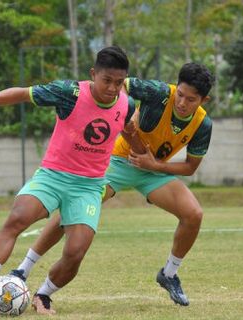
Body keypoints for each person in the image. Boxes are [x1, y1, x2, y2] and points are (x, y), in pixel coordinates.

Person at [0, 46, 137, 315]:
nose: (112, 88)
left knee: (75, 252)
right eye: (107, 80)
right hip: (53, 175)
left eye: (119, 83)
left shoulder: (126, 103)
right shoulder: (69, 93)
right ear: (93, 74)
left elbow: (128, 128)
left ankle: (43, 295)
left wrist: (142, 151)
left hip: (89, 185)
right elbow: (23, 94)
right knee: (18, 217)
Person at [15, 62, 214, 306]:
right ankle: (23, 270)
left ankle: (169, 274)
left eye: (191, 99)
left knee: (193, 214)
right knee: (74, 209)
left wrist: (156, 166)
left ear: (204, 100)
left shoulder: (203, 125)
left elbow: (190, 168)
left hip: (153, 169)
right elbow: (120, 88)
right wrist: (120, 123)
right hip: (117, 161)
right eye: (180, 95)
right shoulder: (158, 92)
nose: (182, 103)